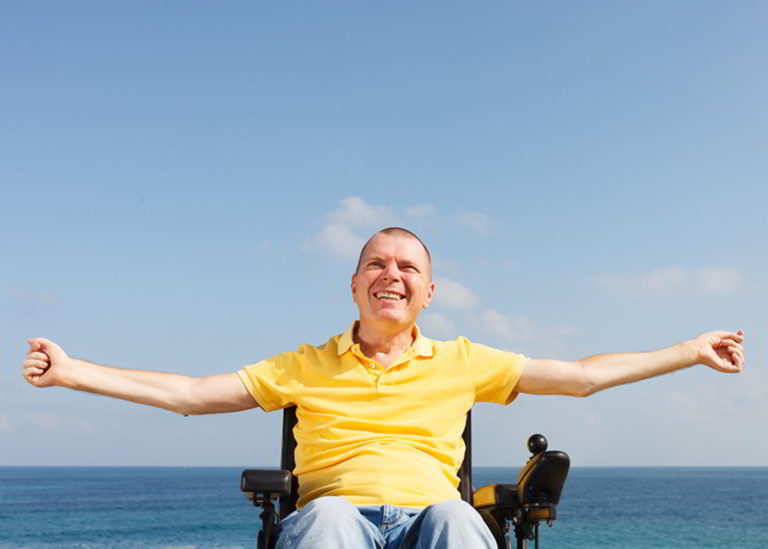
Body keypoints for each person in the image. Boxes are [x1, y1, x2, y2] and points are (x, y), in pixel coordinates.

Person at [22, 227, 745, 549]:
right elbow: (188, 392)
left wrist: (689, 349)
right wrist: (74, 369)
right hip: (337, 520)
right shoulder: (306, 362)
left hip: (430, 517)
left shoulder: (463, 358)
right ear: (355, 283)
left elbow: (583, 378)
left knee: (464, 523)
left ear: (430, 290)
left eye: (406, 265)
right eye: (376, 262)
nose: (391, 273)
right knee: (333, 523)